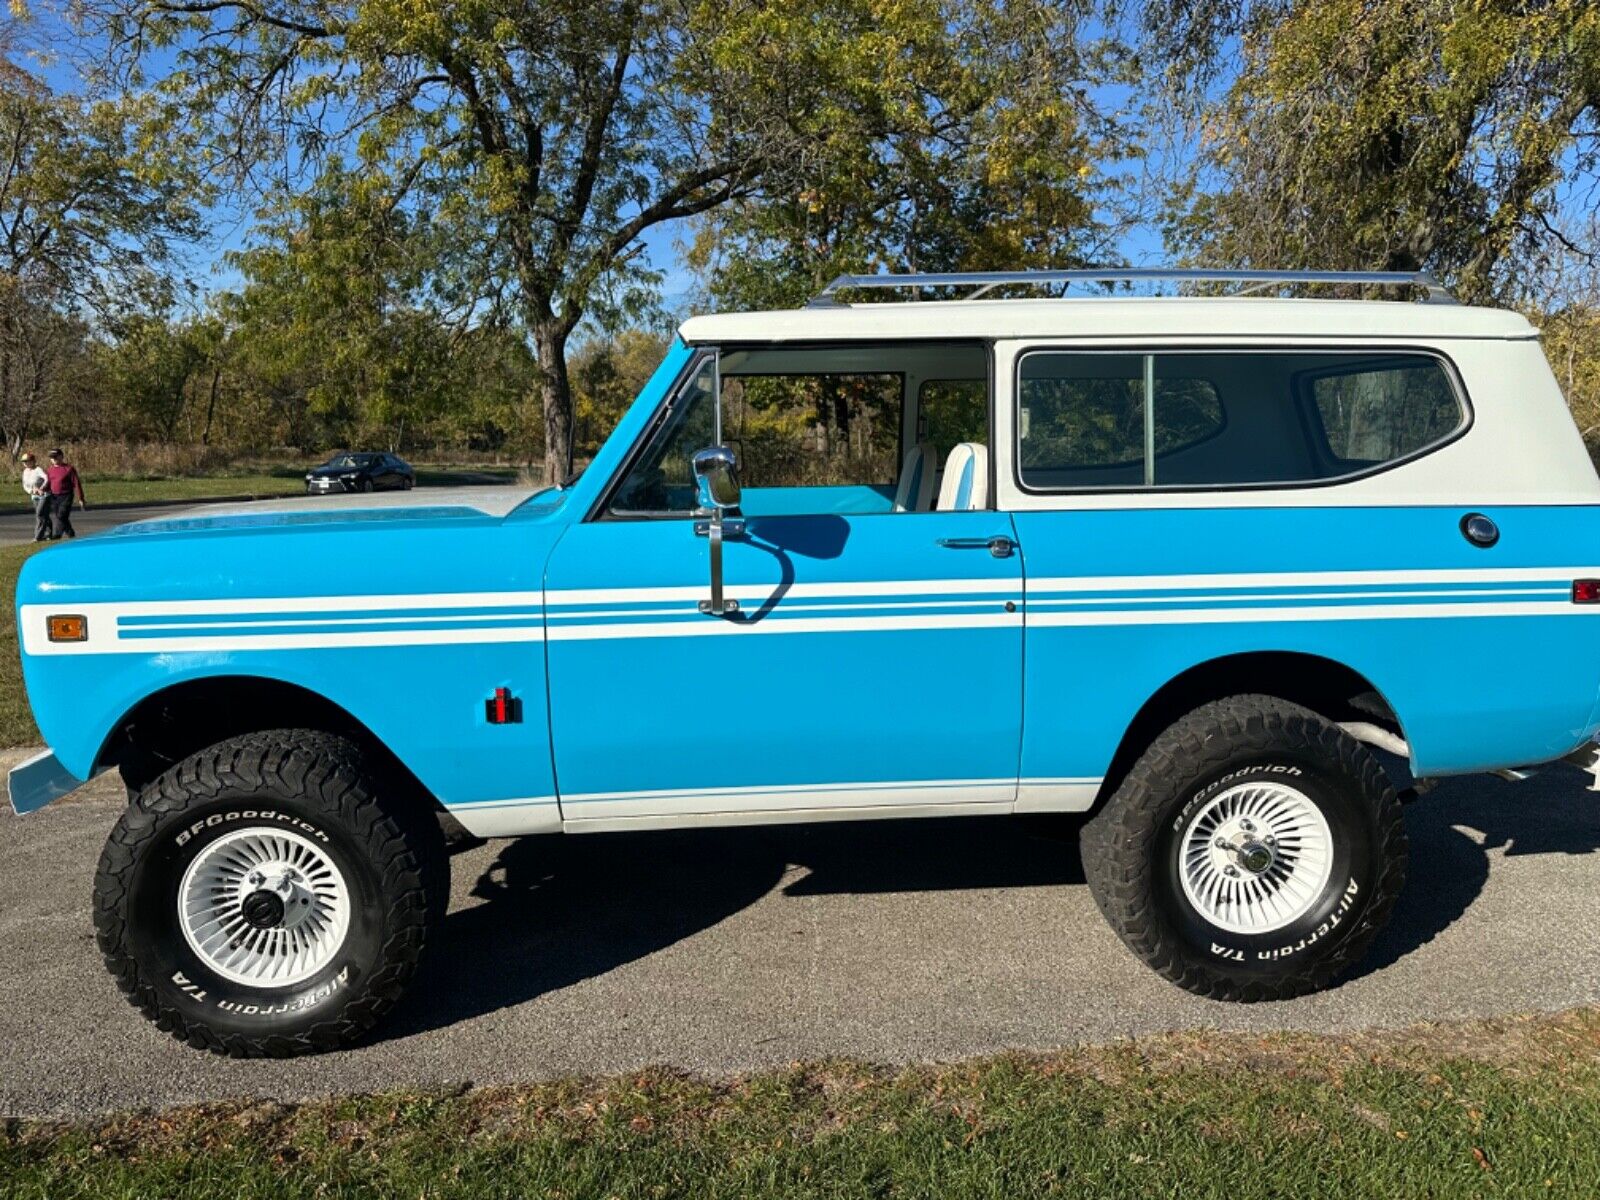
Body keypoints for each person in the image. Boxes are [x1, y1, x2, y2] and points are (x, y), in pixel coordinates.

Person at [43, 447, 86, 540]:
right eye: (51, 458)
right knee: (61, 517)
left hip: (66, 495)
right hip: (54, 496)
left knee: (61, 515)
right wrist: (42, 490)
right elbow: (48, 483)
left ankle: (57, 535)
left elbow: (76, 483)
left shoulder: (69, 469)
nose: (53, 460)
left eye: (55, 457)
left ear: (61, 457)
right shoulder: (49, 470)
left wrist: (81, 498)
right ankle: (71, 533)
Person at [19, 452, 48, 541]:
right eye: (24, 462)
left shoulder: (38, 469)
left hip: (44, 495)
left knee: (39, 514)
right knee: (43, 515)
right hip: (34, 496)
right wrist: (31, 491)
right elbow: (24, 485)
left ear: (33, 461)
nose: (26, 463)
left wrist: (42, 488)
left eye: (27, 461)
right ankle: (50, 533)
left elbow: (46, 478)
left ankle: (38, 536)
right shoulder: (25, 472)